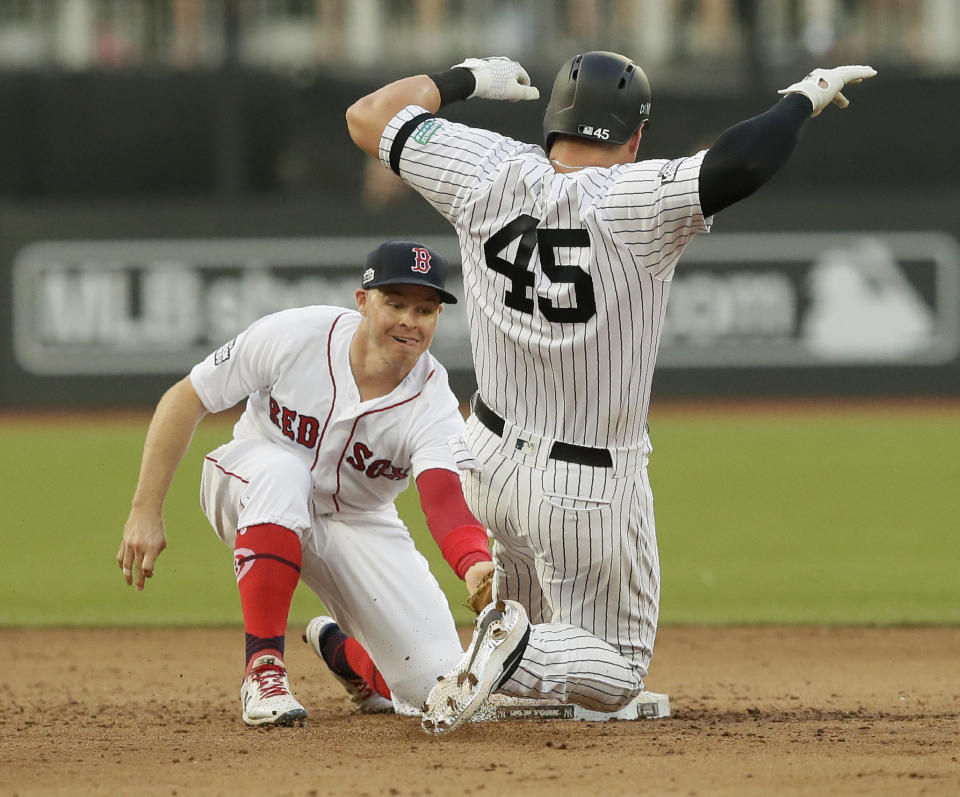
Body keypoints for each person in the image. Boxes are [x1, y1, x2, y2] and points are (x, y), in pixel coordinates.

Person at [344, 53, 876, 732]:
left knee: (527, 608)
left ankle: (515, 653)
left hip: (488, 459)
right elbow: (739, 163)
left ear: (553, 122)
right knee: (620, 668)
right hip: (584, 483)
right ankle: (519, 651)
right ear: (636, 134)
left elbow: (368, 116)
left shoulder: (484, 166)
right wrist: (802, 98)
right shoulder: (640, 198)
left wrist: (467, 79)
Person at [116, 240, 495, 726]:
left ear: (438, 317)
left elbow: (444, 499)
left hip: (358, 521)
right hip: (249, 483)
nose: (409, 320)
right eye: (394, 303)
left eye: (424, 309)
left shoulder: (433, 404)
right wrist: (146, 508)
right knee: (284, 470)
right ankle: (264, 668)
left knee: (441, 690)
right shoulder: (295, 335)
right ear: (363, 301)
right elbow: (188, 396)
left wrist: (474, 564)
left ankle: (341, 650)